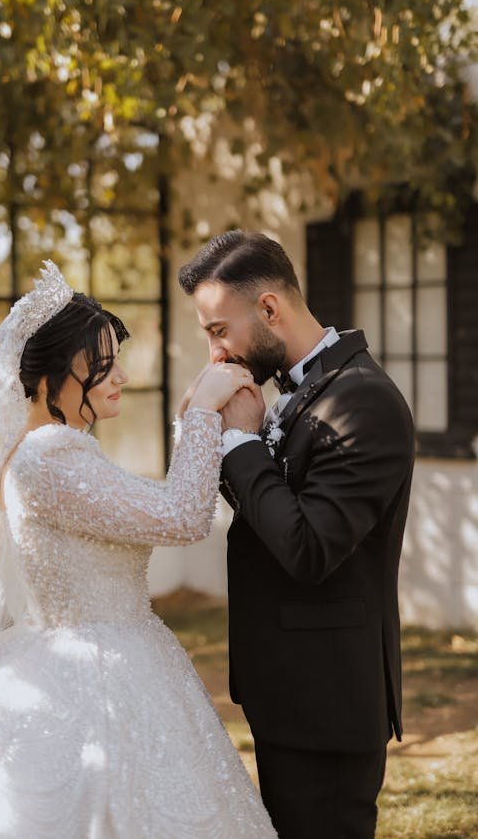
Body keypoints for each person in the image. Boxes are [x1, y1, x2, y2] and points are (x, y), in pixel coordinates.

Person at [0, 261, 276, 838]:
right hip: (97, 675)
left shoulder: (59, 451)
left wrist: (191, 417)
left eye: (116, 365)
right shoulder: (50, 458)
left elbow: (158, 506)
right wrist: (198, 416)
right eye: (99, 367)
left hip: (118, 651)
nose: (118, 380)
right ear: (46, 378)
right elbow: (184, 517)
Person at [179, 230, 416, 839]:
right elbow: (267, 515)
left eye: (217, 330)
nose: (216, 352)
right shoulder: (293, 391)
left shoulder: (364, 402)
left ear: (268, 309)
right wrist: (218, 435)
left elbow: (308, 550)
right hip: (287, 692)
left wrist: (241, 441)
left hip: (328, 706)